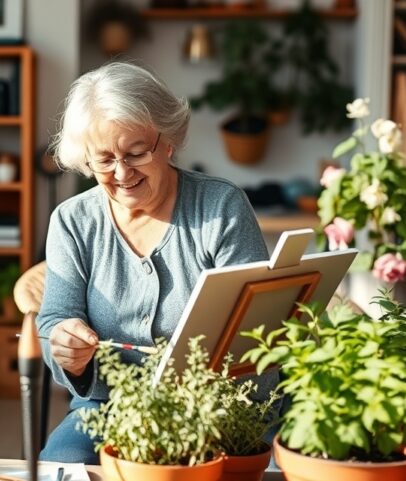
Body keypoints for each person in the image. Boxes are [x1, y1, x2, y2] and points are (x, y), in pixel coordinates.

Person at [37, 62, 272, 464]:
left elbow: (257, 329)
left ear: (168, 142)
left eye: (136, 152)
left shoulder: (220, 207)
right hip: (109, 410)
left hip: (215, 409)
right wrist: (63, 345)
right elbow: (54, 320)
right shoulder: (72, 221)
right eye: (104, 160)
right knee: (60, 467)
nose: (122, 172)